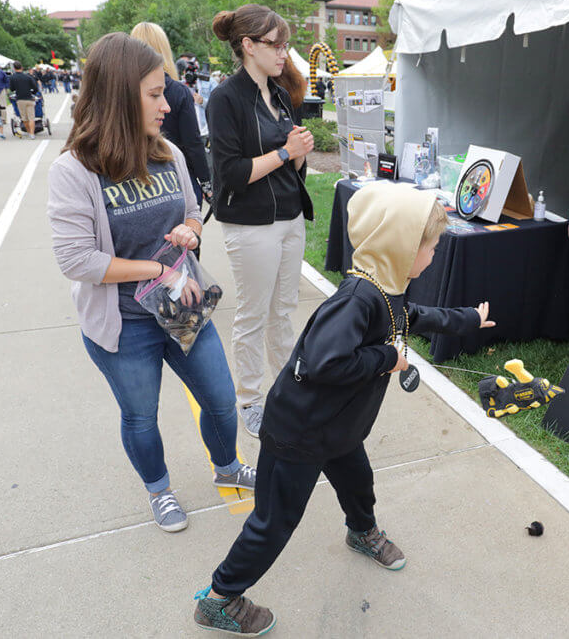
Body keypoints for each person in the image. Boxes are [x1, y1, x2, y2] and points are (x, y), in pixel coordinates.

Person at [191, 183, 496, 635]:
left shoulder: (386, 288)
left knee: (358, 483)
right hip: (299, 432)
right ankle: (219, 598)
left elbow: (411, 316)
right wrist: (388, 359)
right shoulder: (358, 298)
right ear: (400, 246)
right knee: (274, 523)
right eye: (429, 246)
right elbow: (323, 361)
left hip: (338, 427)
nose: (433, 255)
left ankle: (362, 531)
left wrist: (468, 318)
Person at [47, 32, 256, 533]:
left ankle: (227, 467)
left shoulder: (168, 154)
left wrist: (192, 229)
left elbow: (190, 211)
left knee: (222, 402)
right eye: (154, 94)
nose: (167, 104)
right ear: (119, 96)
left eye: (165, 92)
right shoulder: (73, 171)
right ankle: (159, 490)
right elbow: (76, 259)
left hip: (183, 311)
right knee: (141, 418)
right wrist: (158, 271)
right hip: (124, 327)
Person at [208, 4, 315, 437]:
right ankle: (250, 400)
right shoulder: (225, 99)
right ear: (248, 46)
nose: (284, 53)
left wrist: (299, 155)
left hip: (290, 217)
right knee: (253, 315)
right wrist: (286, 153)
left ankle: (289, 389)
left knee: (283, 311)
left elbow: (290, 167)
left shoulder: (279, 95)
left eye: (286, 44)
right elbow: (231, 172)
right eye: (276, 44)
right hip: (251, 225)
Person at [131, 23, 212, 208]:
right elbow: (192, 142)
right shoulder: (178, 91)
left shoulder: (125, 89)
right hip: (177, 176)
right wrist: (206, 183)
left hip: (136, 178)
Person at [9, 61, 39, 140]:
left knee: (24, 118)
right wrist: (32, 92)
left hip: (20, 99)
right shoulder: (28, 77)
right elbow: (35, 87)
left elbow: (12, 88)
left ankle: (29, 132)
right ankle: (32, 134)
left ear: (14, 68)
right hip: (29, 98)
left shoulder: (12, 77)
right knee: (31, 117)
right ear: (21, 67)